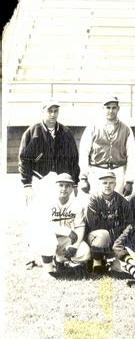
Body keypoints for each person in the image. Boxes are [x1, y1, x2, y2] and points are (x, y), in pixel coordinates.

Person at [19, 99, 80, 269]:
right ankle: (33, 256)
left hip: (60, 180)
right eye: (49, 111)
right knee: (37, 218)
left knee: (60, 216)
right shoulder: (33, 132)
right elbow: (24, 160)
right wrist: (27, 184)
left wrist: (74, 182)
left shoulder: (65, 132)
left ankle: (59, 256)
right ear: (43, 112)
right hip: (40, 180)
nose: (52, 115)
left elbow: (74, 159)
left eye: (55, 111)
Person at [79, 96, 135, 197]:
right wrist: (84, 177)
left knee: (116, 206)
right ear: (103, 108)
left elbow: (131, 155)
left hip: (118, 171)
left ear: (118, 109)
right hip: (97, 171)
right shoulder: (93, 127)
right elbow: (84, 152)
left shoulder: (126, 129)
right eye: (108, 107)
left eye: (114, 108)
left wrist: (129, 181)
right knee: (96, 204)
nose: (111, 110)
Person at [38, 173, 91, 277]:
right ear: (55, 187)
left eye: (68, 186)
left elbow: (80, 227)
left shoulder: (77, 205)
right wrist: (67, 231)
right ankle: (48, 271)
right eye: (61, 185)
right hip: (50, 239)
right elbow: (45, 225)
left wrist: (74, 246)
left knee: (85, 252)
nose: (64, 188)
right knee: (47, 238)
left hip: (67, 240)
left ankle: (61, 260)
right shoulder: (47, 203)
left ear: (72, 189)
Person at [85, 172, 132, 273]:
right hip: (96, 237)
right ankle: (96, 263)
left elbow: (128, 224)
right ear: (98, 184)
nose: (108, 185)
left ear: (115, 184)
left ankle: (110, 260)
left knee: (121, 268)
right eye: (104, 183)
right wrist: (114, 231)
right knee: (103, 234)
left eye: (111, 183)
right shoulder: (93, 200)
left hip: (116, 238)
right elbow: (93, 225)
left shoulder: (122, 201)